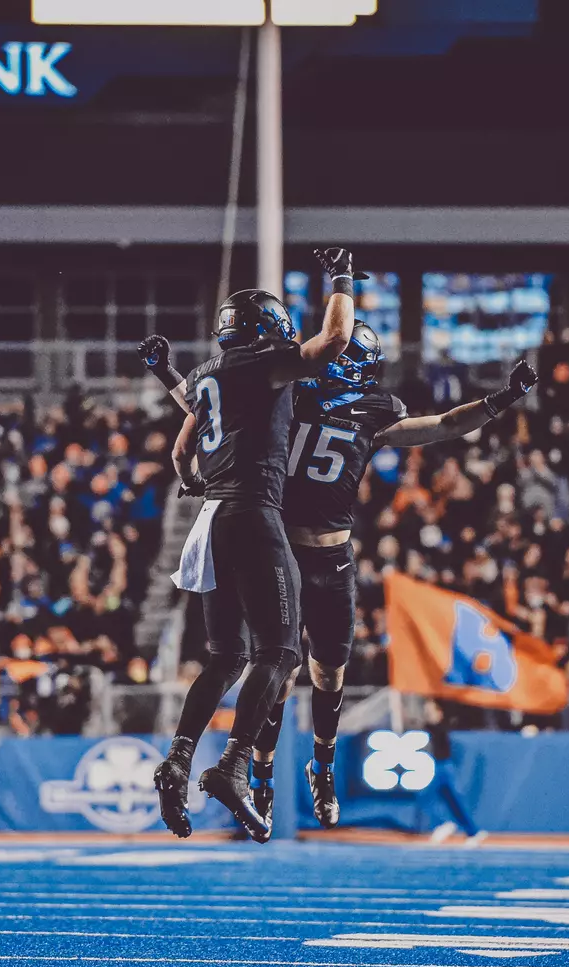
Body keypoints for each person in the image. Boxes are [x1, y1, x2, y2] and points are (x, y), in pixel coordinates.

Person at [251, 325, 536, 831]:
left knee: (328, 674)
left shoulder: (373, 407)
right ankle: (262, 773)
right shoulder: (292, 389)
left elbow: (446, 424)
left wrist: (504, 398)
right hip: (282, 552)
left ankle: (322, 768)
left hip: (332, 557)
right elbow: (217, 407)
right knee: (279, 669)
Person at [142, 247, 358, 842]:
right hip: (252, 514)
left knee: (225, 656)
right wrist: (340, 276)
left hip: (209, 518)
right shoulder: (261, 367)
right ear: (268, 333)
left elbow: (182, 449)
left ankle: (179, 758)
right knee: (281, 652)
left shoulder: (211, 376)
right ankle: (233, 765)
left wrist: (192, 479)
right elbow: (334, 341)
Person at [421, 699, 485, 846]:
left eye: (430, 711)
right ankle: (468, 830)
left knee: (449, 799)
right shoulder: (427, 727)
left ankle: (465, 829)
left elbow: (439, 732)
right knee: (437, 798)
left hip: (443, 767)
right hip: (437, 766)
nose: (428, 715)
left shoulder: (442, 727)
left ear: (439, 713)